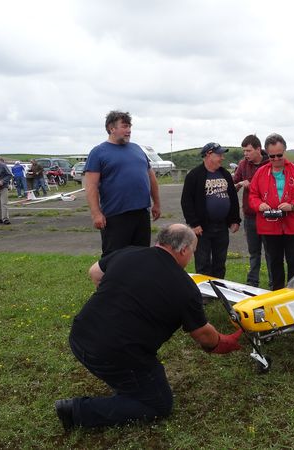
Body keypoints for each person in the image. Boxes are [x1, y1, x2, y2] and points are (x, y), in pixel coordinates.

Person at [54, 224, 243, 431]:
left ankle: (126, 384)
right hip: (111, 353)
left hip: (79, 336)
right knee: (158, 403)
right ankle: (77, 411)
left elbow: (95, 272)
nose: (191, 258)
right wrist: (224, 341)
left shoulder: (129, 253)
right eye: (193, 252)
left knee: (134, 378)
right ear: (183, 250)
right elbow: (204, 336)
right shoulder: (185, 288)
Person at [84, 110, 161, 256]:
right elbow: (91, 186)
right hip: (115, 216)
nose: (129, 130)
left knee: (141, 255)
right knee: (115, 259)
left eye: (129, 127)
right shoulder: (98, 152)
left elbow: (151, 178)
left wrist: (156, 203)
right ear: (111, 128)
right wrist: (96, 213)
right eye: (124, 126)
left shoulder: (137, 149)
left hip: (141, 214)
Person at [248, 133, 294, 290]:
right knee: (274, 261)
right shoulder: (261, 173)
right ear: (267, 154)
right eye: (272, 156)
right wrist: (259, 205)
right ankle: (277, 291)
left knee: (293, 260)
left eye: (279, 155)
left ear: (285, 151)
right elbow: (253, 196)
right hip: (269, 227)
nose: (276, 159)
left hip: (292, 224)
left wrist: (292, 205)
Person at [181, 142, 241, 279]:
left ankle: (219, 289)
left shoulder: (224, 174)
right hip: (202, 228)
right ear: (208, 155)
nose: (222, 158)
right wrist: (194, 224)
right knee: (203, 262)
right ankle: (205, 294)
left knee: (220, 261)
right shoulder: (195, 175)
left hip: (221, 226)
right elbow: (186, 202)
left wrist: (235, 220)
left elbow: (233, 198)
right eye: (219, 155)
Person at [233, 134, 272, 288]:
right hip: (250, 216)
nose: (246, 154)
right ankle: (252, 284)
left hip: (268, 215)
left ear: (258, 149)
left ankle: (273, 283)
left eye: (248, 150)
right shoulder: (243, 165)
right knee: (254, 253)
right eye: (244, 151)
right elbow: (234, 184)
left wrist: (255, 184)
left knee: (271, 252)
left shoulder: (270, 163)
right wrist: (239, 185)